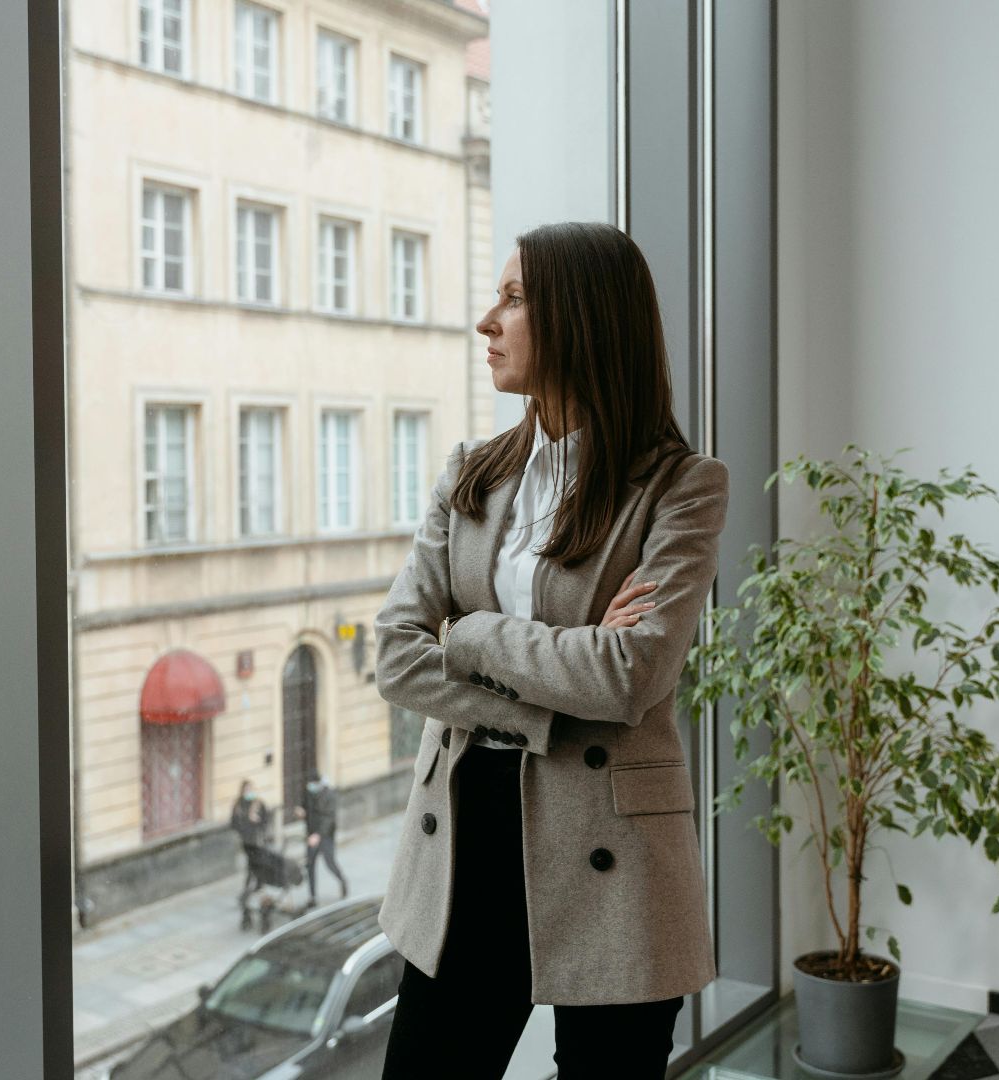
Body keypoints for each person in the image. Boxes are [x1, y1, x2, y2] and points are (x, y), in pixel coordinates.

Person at [372, 221, 730, 1078]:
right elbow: (394, 654)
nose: (487, 320)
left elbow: (628, 676)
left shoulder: (682, 487)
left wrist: (470, 634)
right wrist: (554, 676)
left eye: (514, 298)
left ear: (584, 318)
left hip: (615, 841)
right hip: (465, 830)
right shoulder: (471, 474)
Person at [292, 769, 349, 905]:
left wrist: (318, 835)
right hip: (311, 835)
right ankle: (312, 897)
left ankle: (342, 881)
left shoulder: (329, 795)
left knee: (330, 862)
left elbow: (328, 818)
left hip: (325, 836)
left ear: (319, 783)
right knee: (310, 866)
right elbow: (305, 808)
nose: (311, 786)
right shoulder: (308, 793)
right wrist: (300, 812)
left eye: (313, 784)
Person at [229, 778, 270, 928]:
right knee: (251, 868)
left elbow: (266, 821)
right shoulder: (238, 805)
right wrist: (247, 820)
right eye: (247, 790)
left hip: (257, 842)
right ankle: (249, 892)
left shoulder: (258, 803)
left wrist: (257, 822)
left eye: (251, 789)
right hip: (246, 844)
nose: (249, 792)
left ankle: (254, 888)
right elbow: (233, 823)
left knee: (255, 867)